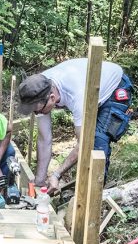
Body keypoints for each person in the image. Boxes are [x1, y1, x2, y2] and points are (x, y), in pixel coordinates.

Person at [16, 58, 132, 192]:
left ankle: (95, 195)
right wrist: (39, 180)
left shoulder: (77, 96)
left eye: (38, 110)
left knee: (97, 143)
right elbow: (44, 139)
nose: (36, 113)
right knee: (90, 140)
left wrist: (56, 174)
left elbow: (83, 144)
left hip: (115, 87)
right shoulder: (40, 89)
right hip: (91, 86)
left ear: (52, 98)